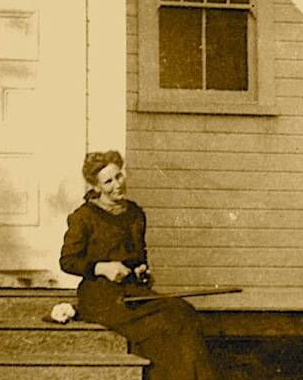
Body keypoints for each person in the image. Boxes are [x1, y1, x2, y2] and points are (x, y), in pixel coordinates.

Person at [60, 150, 217, 380]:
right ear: (96, 186)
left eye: (119, 176)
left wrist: (142, 270)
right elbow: (67, 261)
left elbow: (139, 256)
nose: (117, 185)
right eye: (108, 181)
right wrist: (103, 268)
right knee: (167, 325)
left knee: (185, 313)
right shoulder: (83, 217)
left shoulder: (134, 213)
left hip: (134, 293)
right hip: (101, 297)